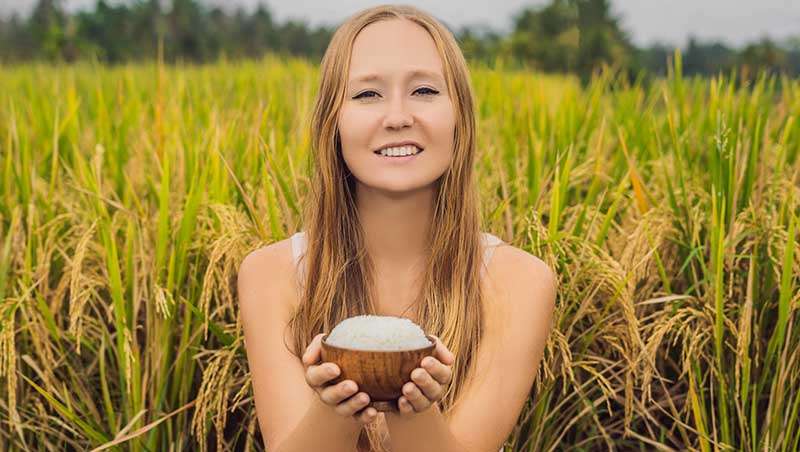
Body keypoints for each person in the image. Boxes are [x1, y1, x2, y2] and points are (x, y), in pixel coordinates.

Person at [237, 5, 557, 452]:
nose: (398, 116)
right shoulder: (271, 275)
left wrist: (417, 409)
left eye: (424, 90)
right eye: (368, 95)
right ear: (333, 123)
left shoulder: (519, 282)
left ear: (460, 118)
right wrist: (335, 406)